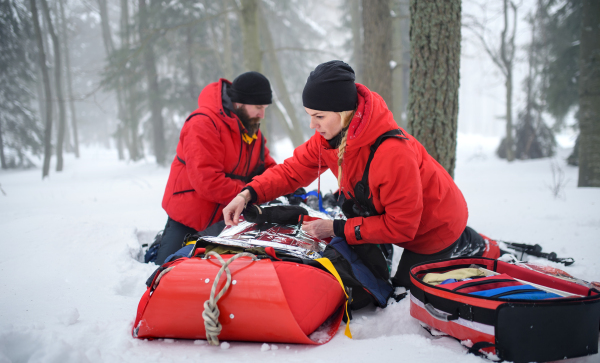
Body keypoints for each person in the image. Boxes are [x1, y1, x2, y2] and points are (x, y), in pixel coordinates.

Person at [223, 60, 486, 288]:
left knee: (406, 295)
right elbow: (291, 171)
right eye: (309, 116)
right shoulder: (331, 137)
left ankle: (471, 244)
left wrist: (336, 227)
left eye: (319, 116)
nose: (312, 125)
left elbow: (403, 226)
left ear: (343, 112)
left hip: (435, 228)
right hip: (390, 217)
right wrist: (247, 194)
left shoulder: (393, 153)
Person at [155, 71, 277, 265]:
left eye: (265, 108)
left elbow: (269, 169)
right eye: (258, 107)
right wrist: (251, 194)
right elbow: (208, 181)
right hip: (189, 220)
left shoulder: (253, 131)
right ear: (240, 102)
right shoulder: (203, 123)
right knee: (165, 269)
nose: (262, 114)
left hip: (228, 221)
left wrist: (282, 186)